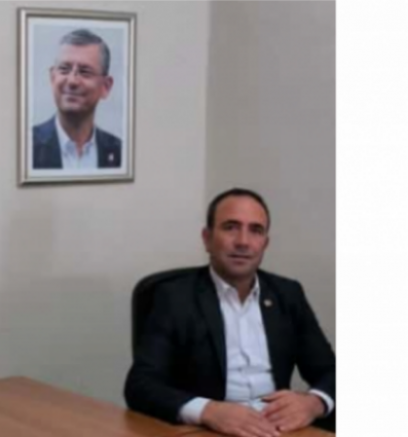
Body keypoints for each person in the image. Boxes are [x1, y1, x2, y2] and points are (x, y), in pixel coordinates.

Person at [124, 188, 336, 437]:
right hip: (210, 429)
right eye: (230, 227)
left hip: (279, 428)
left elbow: (330, 371)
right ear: (207, 238)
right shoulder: (174, 297)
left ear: (265, 243)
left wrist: (314, 403)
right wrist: (208, 411)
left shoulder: (287, 294)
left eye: (255, 230)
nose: (243, 241)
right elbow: (141, 385)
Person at [33, 29, 122, 170]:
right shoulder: (27, 146)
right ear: (52, 77)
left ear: (105, 86)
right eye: (64, 69)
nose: (72, 81)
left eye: (85, 71)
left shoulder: (121, 153)